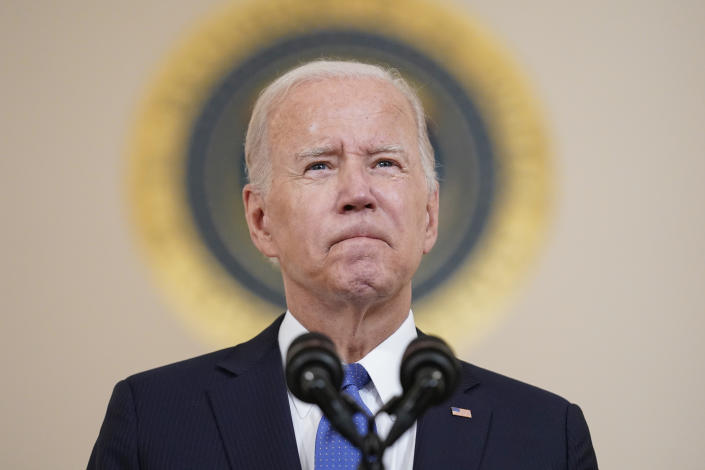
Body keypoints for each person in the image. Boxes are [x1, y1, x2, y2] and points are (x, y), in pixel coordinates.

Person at [89, 60, 598, 469]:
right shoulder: (154, 420)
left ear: (429, 214)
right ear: (261, 219)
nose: (358, 193)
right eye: (319, 165)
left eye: (385, 163)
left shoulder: (545, 436)